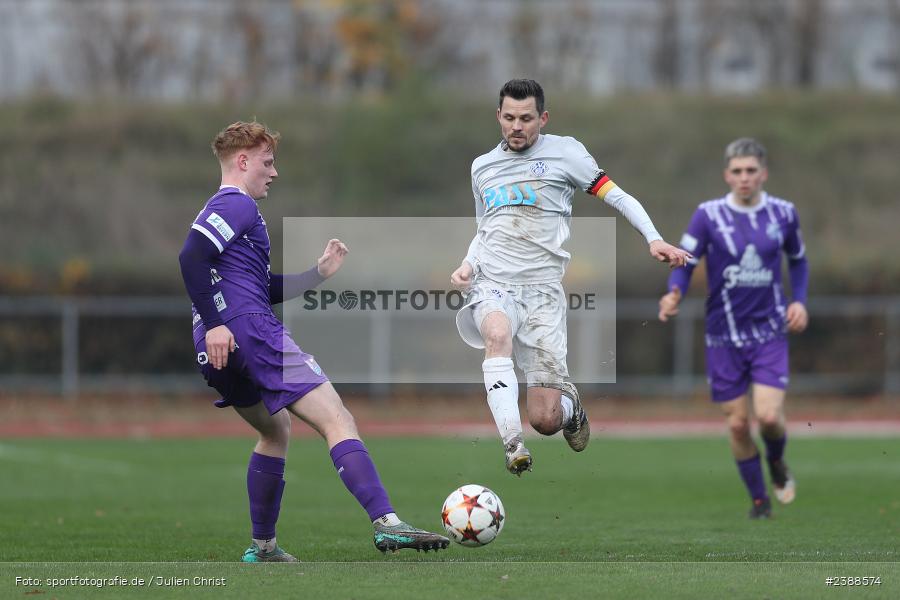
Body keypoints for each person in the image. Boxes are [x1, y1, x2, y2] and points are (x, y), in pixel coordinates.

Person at [178, 121, 448, 561]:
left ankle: (263, 546)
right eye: (267, 162)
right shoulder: (235, 204)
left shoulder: (230, 214)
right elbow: (190, 256)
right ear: (242, 161)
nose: (274, 172)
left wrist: (316, 275)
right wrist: (217, 322)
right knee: (336, 418)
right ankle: (387, 523)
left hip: (217, 346)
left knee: (276, 430)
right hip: (247, 330)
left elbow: (259, 284)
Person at [450, 79, 690, 476]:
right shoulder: (483, 167)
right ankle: (512, 444)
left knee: (545, 420)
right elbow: (485, 229)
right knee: (496, 335)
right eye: (509, 117)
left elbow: (618, 195)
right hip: (493, 284)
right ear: (498, 117)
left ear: (542, 119)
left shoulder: (567, 154)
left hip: (543, 293)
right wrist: (468, 264)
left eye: (526, 118)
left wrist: (654, 238)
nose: (516, 126)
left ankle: (570, 407)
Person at [658, 137, 809, 519]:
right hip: (722, 336)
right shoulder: (708, 215)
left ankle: (775, 462)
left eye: (751, 171)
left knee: (770, 417)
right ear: (727, 175)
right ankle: (760, 501)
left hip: (769, 331)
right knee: (740, 425)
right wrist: (674, 292)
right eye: (737, 172)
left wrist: (799, 301)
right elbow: (687, 260)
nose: (744, 178)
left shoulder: (784, 213)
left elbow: (799, 261)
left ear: (763, 174)